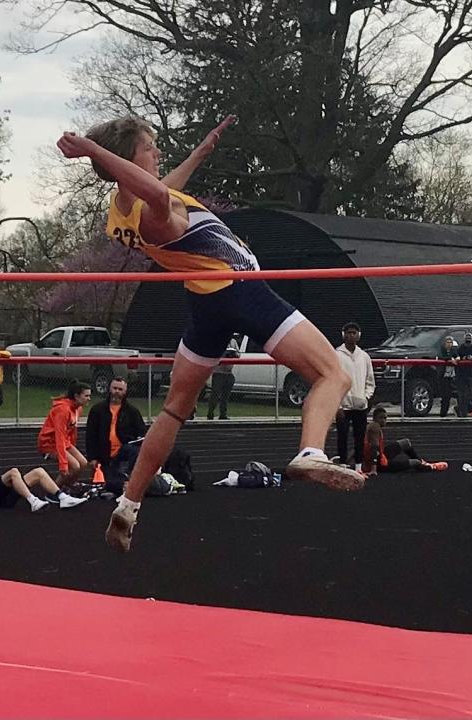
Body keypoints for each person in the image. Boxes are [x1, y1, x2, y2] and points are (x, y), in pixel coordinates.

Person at [58, 115, 362, 552]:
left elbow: (161, 187)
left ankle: (129, 505)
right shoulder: (153, 212)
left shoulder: (122, 210)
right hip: (241, 290)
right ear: (127, 158)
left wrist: (200, 153)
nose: (158, 153)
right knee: (334, 374)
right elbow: (160, 193)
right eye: (150, 147)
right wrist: (92, 149)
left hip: (205, 303)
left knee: (175, 411)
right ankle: (311, 451)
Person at [0, 442, 88, 512]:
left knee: (38, 472)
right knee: (13, 472)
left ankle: (62, 497)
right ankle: (33, 501)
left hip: (0, 499)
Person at [85, 377, 147, 491]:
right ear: (109, 388)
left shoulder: (132, 412)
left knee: (133, 452)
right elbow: (90, 435)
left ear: (125, 391)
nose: (117, 391)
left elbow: (142, 434)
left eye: (120, 389)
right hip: (104, 455)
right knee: (109, 484)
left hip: (124, 453)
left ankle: (130, 477)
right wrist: (92, 458)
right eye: (114, 388)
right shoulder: (97, 410)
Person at [38, 379, 96, 487]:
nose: (89, 399)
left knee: (83, 463)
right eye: (86, 396)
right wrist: (63, 464)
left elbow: (72, 431)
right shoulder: (63, 410)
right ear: (77, 396)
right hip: (49, 443)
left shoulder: (78, 409)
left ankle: (69, 487)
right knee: (74, 466)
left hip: (64, 442)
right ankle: (55, 492)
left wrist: (71, 447)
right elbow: (59, 436)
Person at [361, 406, 448, 475]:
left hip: (381, 456)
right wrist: (373, 469)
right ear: (374, 418)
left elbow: (359, 446)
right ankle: (430, 467)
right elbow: (374, 447)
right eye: (381, 418)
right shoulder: (375, 427)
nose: (384, 421)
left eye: (385, 418)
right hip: (381, 465)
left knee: (406, 442)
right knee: (415, 463)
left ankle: (423, 463)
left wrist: (350, 462)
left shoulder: (373, 426)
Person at [335, 322, 375, 468]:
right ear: (343, 335)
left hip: (360, 404)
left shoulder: (364, 356)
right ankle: (344, 464)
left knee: (359, 436)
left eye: (353, 333)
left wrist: (366, 397)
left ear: (359, 335)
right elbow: (333, 381)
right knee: (342, 436)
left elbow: (370, 380)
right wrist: (337, 405)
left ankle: (358, 465)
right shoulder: (336, 355)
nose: (351, 335)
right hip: (343, 405)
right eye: (348, 333)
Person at [206, 336, 239, 420]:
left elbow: (238, 354)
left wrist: (234, 354)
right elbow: (212, 354)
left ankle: (223, 414)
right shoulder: (217, 340)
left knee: (226, 396)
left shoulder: (233, 341)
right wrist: (223, 354)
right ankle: (210, 413)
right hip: (218, 372)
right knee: (215, 394)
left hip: (229, 372)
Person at [455, 332, 472, 418]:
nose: (468, 341)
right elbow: (456, 356)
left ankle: (460, 407)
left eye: (469, 340)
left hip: (471, 374)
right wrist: (461, 358)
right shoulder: (461, 347)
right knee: (461, 393)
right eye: (466, 340)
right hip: (461, 374)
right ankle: (463, 412)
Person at [437, 336, 458, 418]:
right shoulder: (442, 350)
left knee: (449, 395)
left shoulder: (454, 350)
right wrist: (450, 359)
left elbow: (457, 356)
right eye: (447, 342)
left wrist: (457, 359)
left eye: (450, 342)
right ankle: (443, 412)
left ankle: (446, 412)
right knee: (444, 395)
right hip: (443, 376)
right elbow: (441, 357)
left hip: (451, 376)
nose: (449, 344)